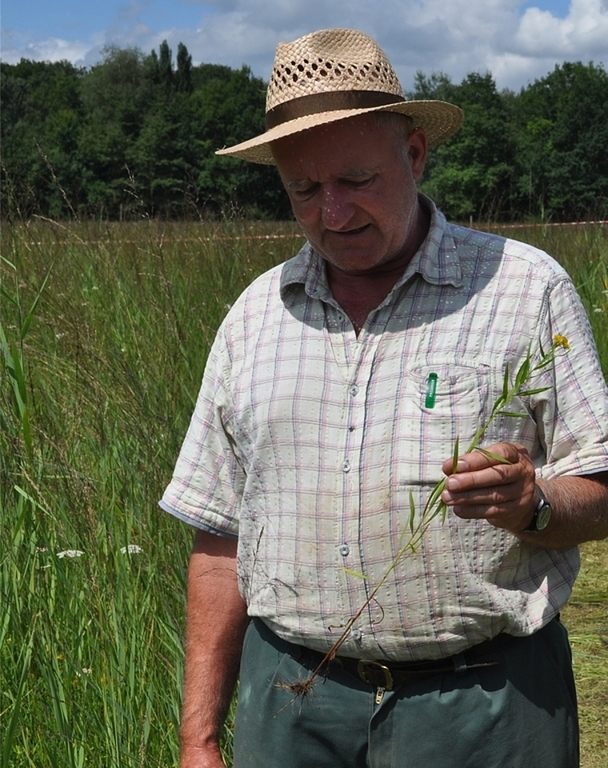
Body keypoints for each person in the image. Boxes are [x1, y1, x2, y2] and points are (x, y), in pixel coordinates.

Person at [160, 28, 608, 768]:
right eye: (305, 190)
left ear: (415, 153)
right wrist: (198, 737)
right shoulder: (254, 316)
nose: (332, 213)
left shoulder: (526, 289)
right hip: (289, 705)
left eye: (356, 180)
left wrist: (533, 505)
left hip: (487, 707)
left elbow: (600, 486)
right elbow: (218, 537)